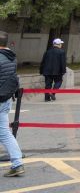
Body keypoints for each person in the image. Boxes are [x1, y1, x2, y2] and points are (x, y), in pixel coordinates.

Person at [0, 31, 24, 177]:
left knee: (3, 133)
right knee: (5, 133)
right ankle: (17, 163)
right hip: (6, 98)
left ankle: (17, 163)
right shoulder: (11, 57)